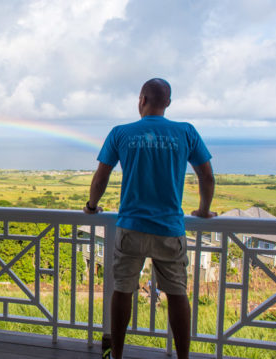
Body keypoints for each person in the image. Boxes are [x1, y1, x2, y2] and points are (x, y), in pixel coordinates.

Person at [84, 78, 216, 359]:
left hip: (130, 227)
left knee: (122, 291)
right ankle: (183, 357)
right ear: (167, 103)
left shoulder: (120, 133)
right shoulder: (186, 132)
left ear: (141, 100)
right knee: (177, 294)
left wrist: (92, 207)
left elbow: (101, 176)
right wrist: (204, 210)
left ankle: (117, 355)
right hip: (170, 228)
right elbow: (206, 175)